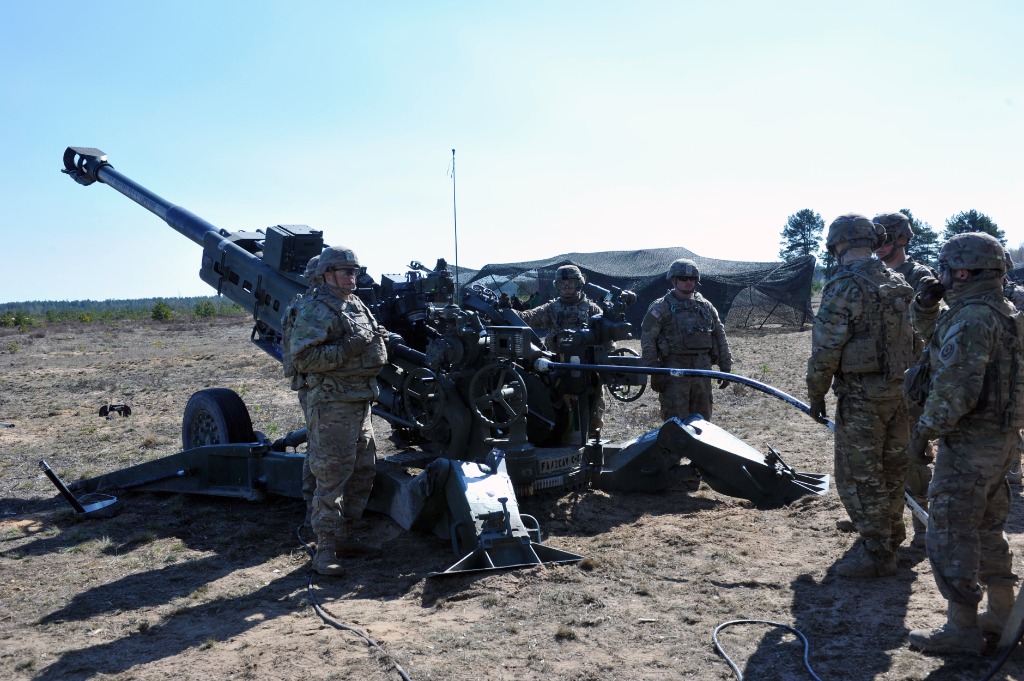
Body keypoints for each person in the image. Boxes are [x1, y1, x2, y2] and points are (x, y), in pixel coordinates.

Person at [907, 232, 1024, 654]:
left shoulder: (973, 318)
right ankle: (1002, 616)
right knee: (989, 529)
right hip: (1002, 442)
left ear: (960, 271)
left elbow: (956, 386)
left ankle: (961, 629)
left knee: (952, 532)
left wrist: (923, 432)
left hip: (970, 445)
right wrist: (926, 304)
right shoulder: (1004, 310)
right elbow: (940, 340)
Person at [806, 214, 916, 578]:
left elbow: (826, 347)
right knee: (892, 469)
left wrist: (816, 392)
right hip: (898, 392)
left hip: (862, 395)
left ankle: (877, 554)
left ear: (837, 245)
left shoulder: (844, 285)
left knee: (859, 474)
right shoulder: (895, 280)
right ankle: (893, 536)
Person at [290, 246, 390, 576]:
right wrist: (351, 347)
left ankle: (345, 534)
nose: (352, 277)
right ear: (328, 274)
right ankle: (325, 549)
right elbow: (304, 358)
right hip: (333, 403)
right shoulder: (317, 308)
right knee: (331, 475)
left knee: (362, 470)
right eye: (346, 271)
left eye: (355, 272)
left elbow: (367, 337)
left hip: (359, 401)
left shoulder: (354, 303)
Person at [873, 211, 941, 549]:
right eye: (876, 241)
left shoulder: (919, 276)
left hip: (911, 381)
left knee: (913, 453)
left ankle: (922, 523)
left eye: (886, 240)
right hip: (877, 380)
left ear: (901, 239)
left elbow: (935, 328)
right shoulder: (870, 275)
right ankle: (887, 521)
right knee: (880, 454)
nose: (880, 247)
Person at [519, 264, 606, 438]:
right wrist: (505, 311)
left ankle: (591, 448)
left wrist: (603, 366)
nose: (566, 288)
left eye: (570, 283)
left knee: (593, 414)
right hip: (557, 369)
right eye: (562, 284)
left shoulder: (593, 310)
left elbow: (606, 340)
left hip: (587, 370)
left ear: (579, 284)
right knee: (558, 411)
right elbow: (527, 317)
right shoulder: (551, 309)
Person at [640, 258, 732, 422]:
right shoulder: (661, 307)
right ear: (674, 280)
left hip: (703, 371)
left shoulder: (705, 306)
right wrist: (655, 371)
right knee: (676, 423)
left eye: (692, 279)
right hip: (674, 372)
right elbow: (648, 339)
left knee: (702, 423)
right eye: (683, 278)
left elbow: (719, 335)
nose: (689, 282)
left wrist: (725, 367)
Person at [280, 255, 321, 530]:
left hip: (339, 390)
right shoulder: (304, 308)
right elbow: (299, 357)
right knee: (319, 450)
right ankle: (312, 515)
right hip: (316, 389)